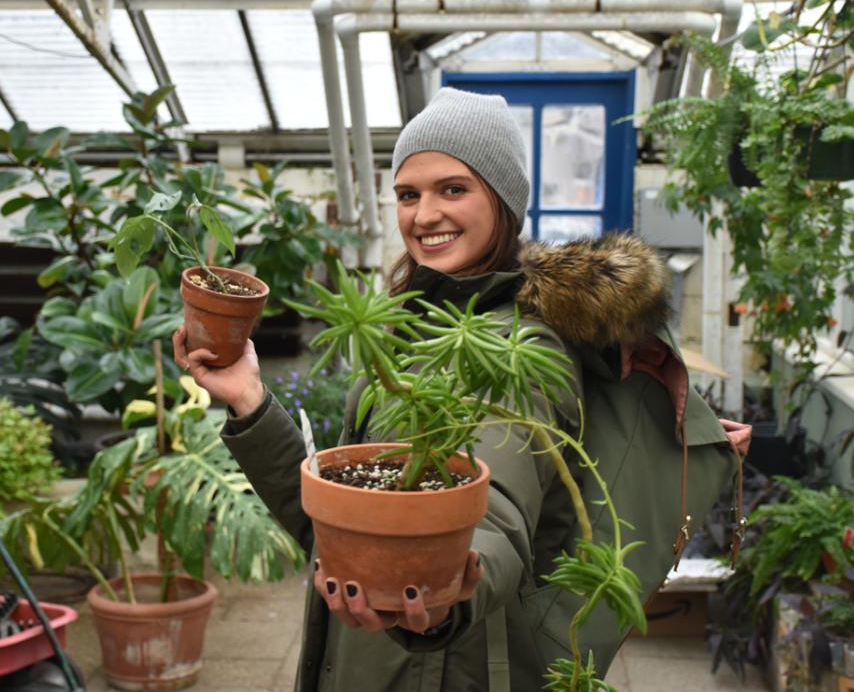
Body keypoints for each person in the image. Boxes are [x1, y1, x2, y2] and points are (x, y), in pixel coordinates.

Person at [174, 87, 749, 691]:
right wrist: (249, 400)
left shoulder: (522, 347)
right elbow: (335, 524)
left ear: (501, 202)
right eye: (408, 194)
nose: (424, 215)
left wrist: (450, 585)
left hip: (443, 665)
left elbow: (495, 505)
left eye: (454, 189)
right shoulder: (414, 323)